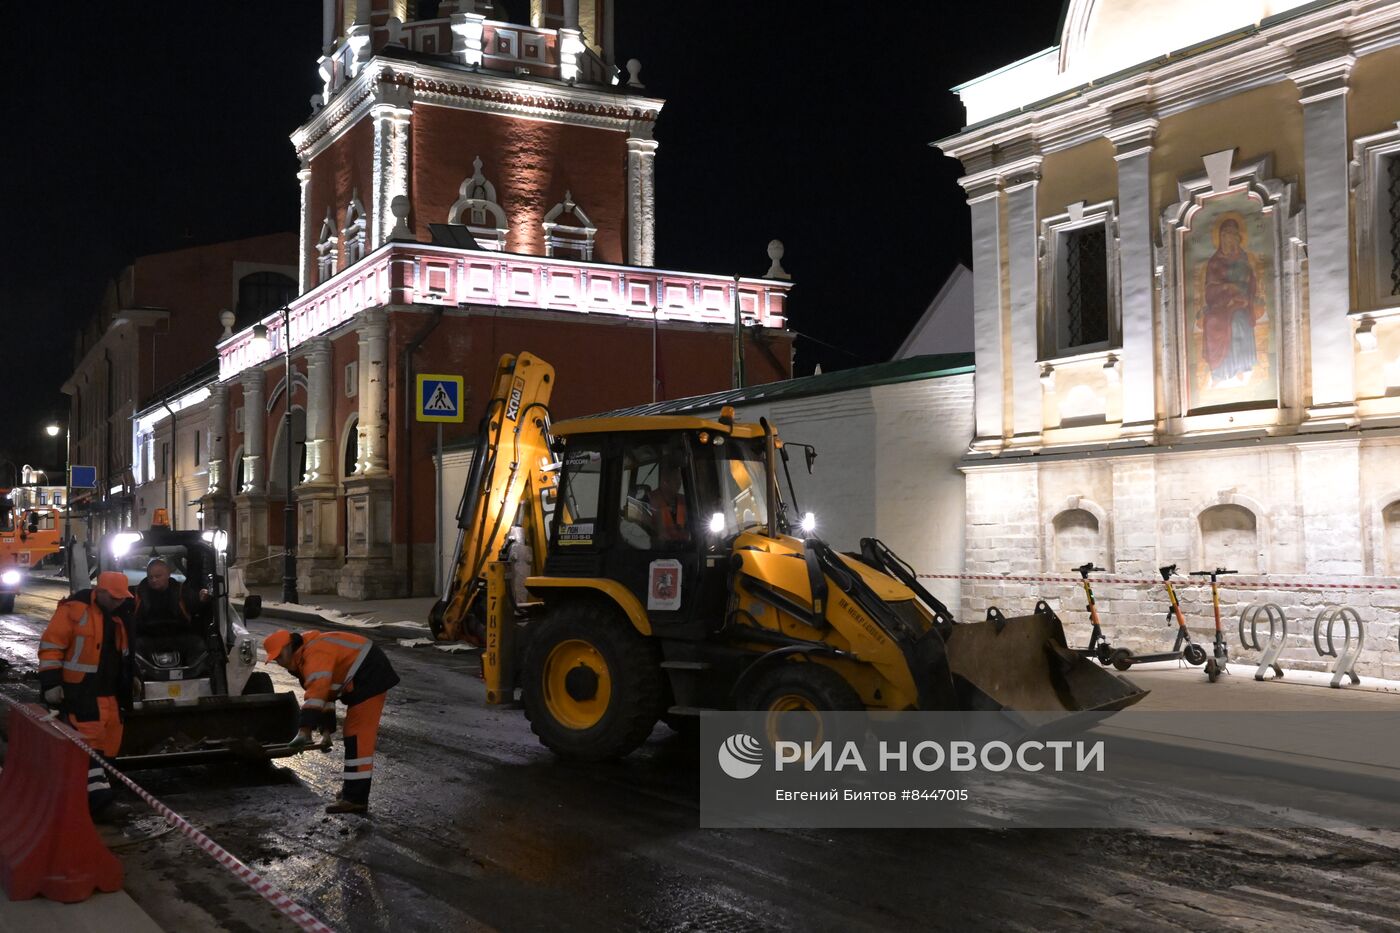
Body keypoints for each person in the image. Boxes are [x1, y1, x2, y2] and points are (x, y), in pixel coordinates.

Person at [264, 629, 400, 815]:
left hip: (370, 674)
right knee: (353, 735)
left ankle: (355, 799)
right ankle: (352, 792)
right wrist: (326, 732)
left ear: (290, 647)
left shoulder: (314, 655)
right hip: (366, 672)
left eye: (280, 656)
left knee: (358, 737)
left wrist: (304, 730)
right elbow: (326, 695)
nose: (279, 662)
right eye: (275, 659)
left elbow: (316, 695)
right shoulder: (303, 658)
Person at [37, 571, 135, 814]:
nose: (118, 602)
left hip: (110, 694)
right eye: (113, 598)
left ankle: (100, 794)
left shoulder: (122, 614)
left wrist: (133, 677)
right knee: (89, 747)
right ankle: (98, 803)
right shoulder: (74, 610)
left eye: (121, 598)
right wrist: (51, 684)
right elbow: (51, 647)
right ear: (99, 591)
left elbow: (125, 653)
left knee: (109, 745)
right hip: (81, 693)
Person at [645, 456, 689, 544]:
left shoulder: (684, 500)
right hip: (659, 548)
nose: (679, 484)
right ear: (665, 482)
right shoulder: (649, 499)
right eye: (676, 480)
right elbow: (644, 526)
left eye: (679, 480)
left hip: (684, 547)